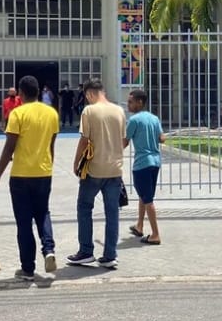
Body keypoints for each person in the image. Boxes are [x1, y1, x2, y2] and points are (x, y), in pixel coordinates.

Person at [0, 75, 60, 281]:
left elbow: (9, 147)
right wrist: (48, 166)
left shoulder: (17, 114)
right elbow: (51, 146)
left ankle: (28, 269)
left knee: (24, 222)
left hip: (21, 175)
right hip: (44, 172)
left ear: (20, 93)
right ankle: (49, 250)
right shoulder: (52, 113)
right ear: (38, 92)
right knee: (43, 212)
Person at [67, 78, 126, 269]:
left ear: (89, 94)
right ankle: (110, 255)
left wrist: (76, 163)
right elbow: (123, 140)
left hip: (94, 169)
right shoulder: (119, 110)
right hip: (115, 170)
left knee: (84, 207)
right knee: (112, 213)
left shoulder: (89, 111)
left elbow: (84, 140)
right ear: (103, 91)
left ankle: (86, 251)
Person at [124, 89, 165, 245]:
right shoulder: (154, 119)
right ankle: (139, 225)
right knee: (144, 194)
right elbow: (162, 138)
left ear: (139, 102)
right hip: (155, 162)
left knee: (147, 199)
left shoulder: (134, 121)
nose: (128, 105)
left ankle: (155, 234)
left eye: (130, 102)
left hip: (142, 164)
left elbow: (124, 142)